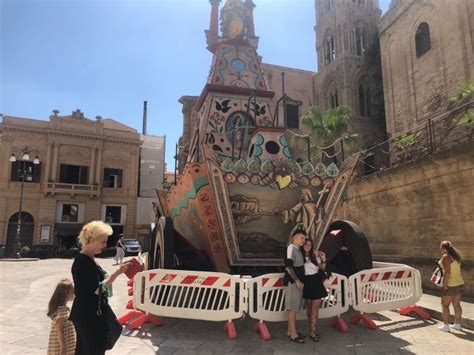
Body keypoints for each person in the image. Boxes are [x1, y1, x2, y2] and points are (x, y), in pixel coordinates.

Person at [70, 221, 129, 354]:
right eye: (103, 241)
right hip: (88, 315)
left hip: (89, 313)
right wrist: (117, 273)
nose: (105, 245)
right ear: (93, 240)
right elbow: (98, 290)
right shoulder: (83, 261)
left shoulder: (89, 258)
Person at [302, 238, 328, 342]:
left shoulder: (315, 256)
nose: (308, 246)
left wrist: (323, 259)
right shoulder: (300, 256)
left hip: (316, 283)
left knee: (314, 310)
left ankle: (313, 332)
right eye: (306, 244)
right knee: (309, 309)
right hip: (307, 283)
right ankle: (311, 328)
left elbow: (322, 269)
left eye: (310, 244)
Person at [284, 228, 306, 343]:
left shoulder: (298, 250)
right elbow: (288, 267)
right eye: (301, 237)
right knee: (292, 309)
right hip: (293, 283)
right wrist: (297, 280)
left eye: (304, 238)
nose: (303, 240)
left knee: (295, 308)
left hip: (298, 283)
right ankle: (293, 334)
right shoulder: (291, 248)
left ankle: (291, 331)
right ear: (294, 237)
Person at [437, 240, 465, 332]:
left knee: (445, 305)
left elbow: (447, 272)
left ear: (443, 248)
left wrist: (445, 285)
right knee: (457, 305)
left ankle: (446, 325)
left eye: (441, 247)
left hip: (450, 284)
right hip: (459, 283)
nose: (440, 249)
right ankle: (457, 324)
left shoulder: (446, 257)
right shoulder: (456, 256)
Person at [47, 278, 76, 355]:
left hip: (65, 346)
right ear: (66, 294)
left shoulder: (62, 309)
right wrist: (63, 348)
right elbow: (60, 330)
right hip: (62, 348)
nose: (74, 293)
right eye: (72, 290)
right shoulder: (62, 312)